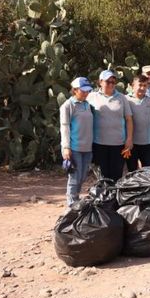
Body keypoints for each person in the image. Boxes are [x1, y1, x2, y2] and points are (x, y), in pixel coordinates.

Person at [87, 70, 133, 181]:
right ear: (100, 82)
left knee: (116, 175)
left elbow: (129, 119)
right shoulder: (91, 97)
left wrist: (129, 139)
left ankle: (114, 198)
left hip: (118, 144)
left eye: (113, 82)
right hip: (99, 143)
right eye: (108, 81)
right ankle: (103, 197)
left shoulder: (122, 98)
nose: (111, 84)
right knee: (101, 176)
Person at [60, 77, 94, 206]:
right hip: (74, 147)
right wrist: (66, 147)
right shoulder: (68, 105)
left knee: (83, 176)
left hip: (87, 147)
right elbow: (65, 126)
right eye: (83, 91)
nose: (86, 93)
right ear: (75, 90)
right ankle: (71, 205)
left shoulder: (88, 104)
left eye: (87, 91)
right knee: (74, 177)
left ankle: (76, 200)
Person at [126, 75, 150, 172]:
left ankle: (147, 188)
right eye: (140, 85)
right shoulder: (126, 100)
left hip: (147, 143)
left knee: (148, 171)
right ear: (132, 86)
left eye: (145, 85)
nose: (142, 88)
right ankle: (133, 188)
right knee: (132, 171)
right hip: (131, 143)